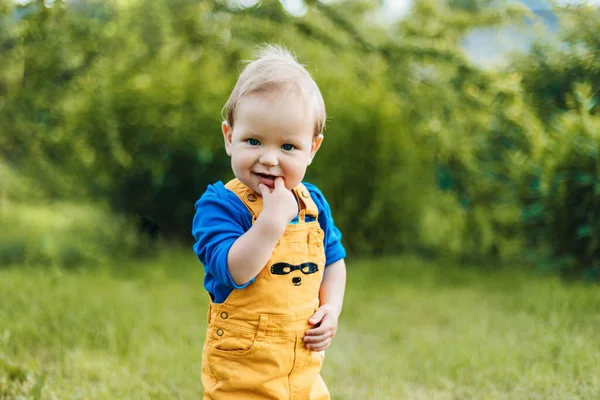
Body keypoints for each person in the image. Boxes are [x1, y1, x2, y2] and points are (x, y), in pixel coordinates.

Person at [192, 44, 347, 399]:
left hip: (302, 368)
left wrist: (331, 307)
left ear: (313, 148)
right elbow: (235, 270)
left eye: (288, 147)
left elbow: (334, 261)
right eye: (254, 140)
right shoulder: (220, 206)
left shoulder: (313, 204)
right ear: (230, 138)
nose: (270, 158)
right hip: (243, 370)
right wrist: (271, 222)